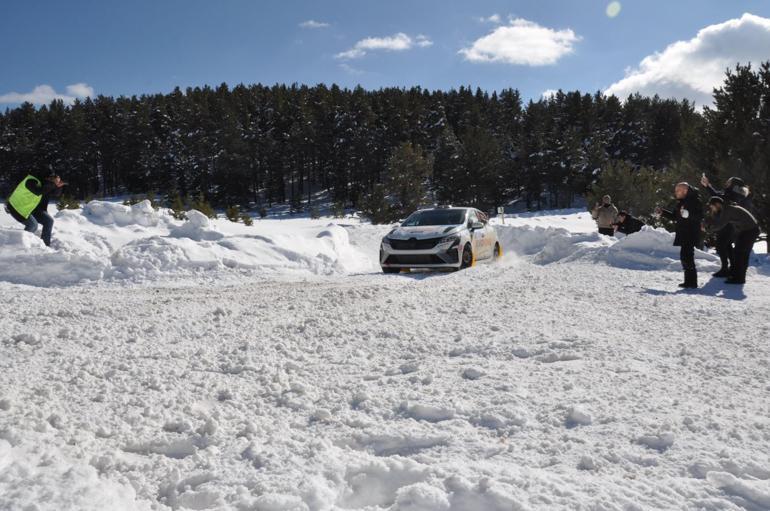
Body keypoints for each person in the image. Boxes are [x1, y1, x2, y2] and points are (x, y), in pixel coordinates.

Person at [700, 174, 752, 277]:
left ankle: (725, 268)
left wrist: (708, 186)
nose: (726, 183)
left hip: (728, 224)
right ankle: (732, 268)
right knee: (727, 246)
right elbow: (718, 195)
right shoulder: (733, 193)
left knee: (720, 245)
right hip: (728, 224)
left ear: (734, 184)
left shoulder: (735, 194)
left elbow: (718, 197)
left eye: (729, 181)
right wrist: (708, 186)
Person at [655, 183, 703, 289]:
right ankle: (688, 281)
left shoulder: (695, 200)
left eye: (678, 190)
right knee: (684, 257)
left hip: (691, 233)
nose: (675, 193)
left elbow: (700, 216)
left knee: (688, 257)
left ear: (685, 191)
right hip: (683, 232)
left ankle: (692, 282)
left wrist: (688, 215)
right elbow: (675, 216)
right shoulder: (681, 202)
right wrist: (663, 212)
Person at [704, 196, 759, 285]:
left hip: (750, 230)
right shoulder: (727, 208)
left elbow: (720, 224)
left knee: (740, 254)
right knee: (739, 253)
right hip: (746, 230)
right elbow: (718, 221)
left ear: (717, 204)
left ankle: (738, 278)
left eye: (712, 206)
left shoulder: (728, 210)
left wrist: (707, 229)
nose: (711, 208)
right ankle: (736, 275)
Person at [5, 173, 66, 247]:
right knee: (33, 225)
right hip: (17, 208)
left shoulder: (47, 185)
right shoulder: (31, 181)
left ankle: (45, 245)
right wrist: (53, 184)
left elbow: (56, 194)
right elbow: (38, 191)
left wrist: (58, 187)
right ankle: (20, 244)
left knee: (49, 221)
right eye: (52, 178)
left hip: (33, 209)